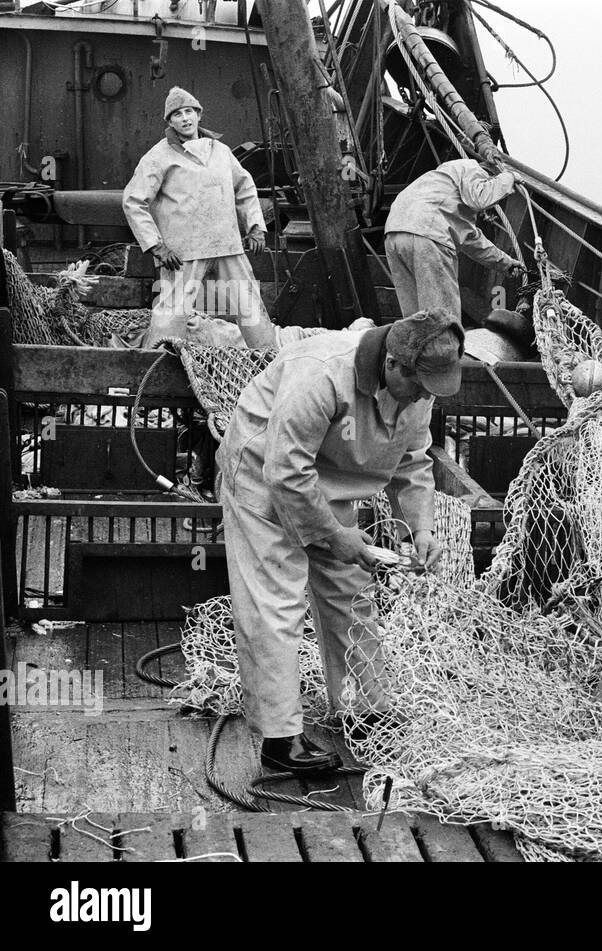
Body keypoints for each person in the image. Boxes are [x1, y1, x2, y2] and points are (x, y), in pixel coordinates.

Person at [216, 311, 461, 773]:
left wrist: (423, 528)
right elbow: (285, 471)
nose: (428, 396)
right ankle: (279, 738)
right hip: (263, 482)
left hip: (330, 482)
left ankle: (362, 709)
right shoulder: (321, 372)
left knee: (352, 595)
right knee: (276, 606)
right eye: (423, 386)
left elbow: (411, 461)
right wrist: (332, 535)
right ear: (393, 365)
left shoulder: (419, 389)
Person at [122, 86, 274, 350]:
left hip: (227, 243)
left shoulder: (221, 151)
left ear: (199, 115)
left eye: (189, 111)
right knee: (172, 312)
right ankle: (155, 365)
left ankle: (269, 359)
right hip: (182, 251)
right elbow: (133, 200)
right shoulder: (159, 156)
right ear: (170, 121)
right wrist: (157, 246)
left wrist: (256, 227)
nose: (185, 118)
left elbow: (245, 186)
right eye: (177, 114)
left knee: (249, 305)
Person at [384, 157, 525, 329]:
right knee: (444, 319)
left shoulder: (442, 183)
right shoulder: (472, 168)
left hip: (395, 233)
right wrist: (509, 177)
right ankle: (446, 353)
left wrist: (506, 263)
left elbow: (472, 240)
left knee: (414, 320)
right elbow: (481, 198)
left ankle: (414, 353)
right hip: (430, 233)